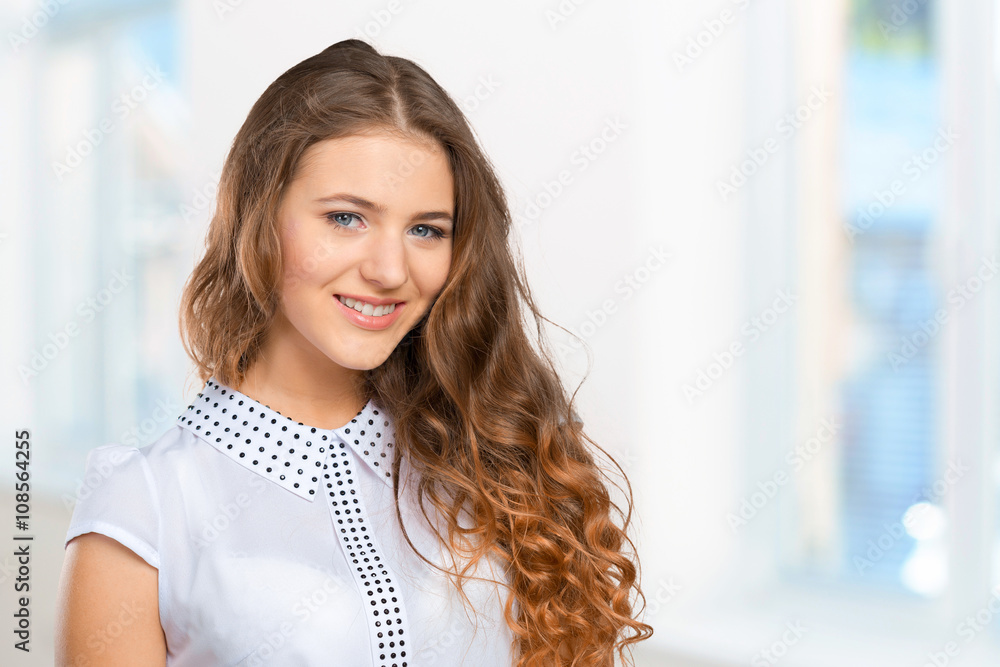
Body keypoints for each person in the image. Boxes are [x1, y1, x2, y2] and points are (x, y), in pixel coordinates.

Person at [55, 38, 653, 666]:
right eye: (346, 218)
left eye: (426, 229)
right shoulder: (143, 505)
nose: (391, 269)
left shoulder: (494, 459)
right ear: (259, 217)